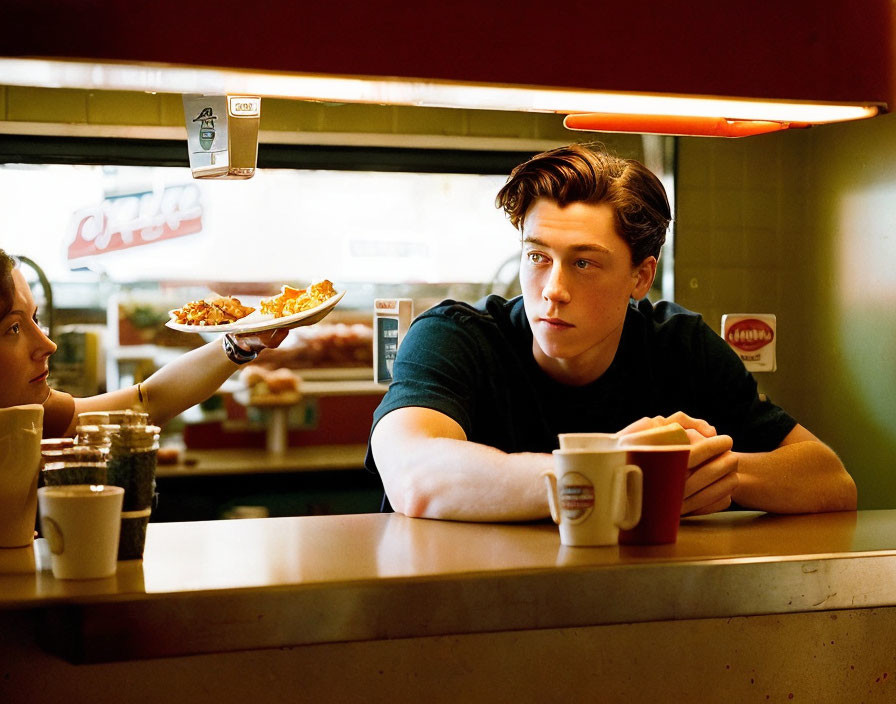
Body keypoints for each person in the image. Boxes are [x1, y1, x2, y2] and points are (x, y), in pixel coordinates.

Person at [366, 143, 856, 522]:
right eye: (538, 257)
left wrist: (698, 472)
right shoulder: (454, 336)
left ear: (640, 277)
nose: (553, 290)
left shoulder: (679, 345)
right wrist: (604, 473)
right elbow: (416, 475)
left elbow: (830, 480)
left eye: (584, 263)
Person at [0, 248, 287, 437]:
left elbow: (147, 402)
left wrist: (241, 342)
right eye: (13, 328)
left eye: (36, 319)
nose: (48, 345)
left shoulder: (33, 414)